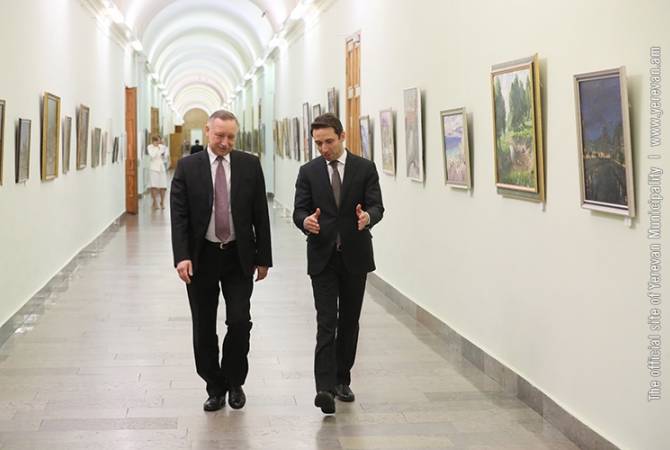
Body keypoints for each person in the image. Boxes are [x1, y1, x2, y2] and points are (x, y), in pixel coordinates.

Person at [170, 110, 272, 412]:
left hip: (238, 255)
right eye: (219, 136)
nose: (225, 142)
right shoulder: (188, 167)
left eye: (231, 136)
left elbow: (260, 214)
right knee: (203, 325)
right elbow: (179, 217)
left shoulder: (249, 165)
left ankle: (234, 380)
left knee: (240, 321)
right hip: (202, 256)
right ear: (207, 131)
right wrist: (182, 257)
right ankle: (214, 386)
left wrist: (263, 257)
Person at [293, 113, 384, 414]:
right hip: (322, 257)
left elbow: (376, 205)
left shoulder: (364, 168)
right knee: (325, 322)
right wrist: (305, 221)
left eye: (328, 141)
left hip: (355, 256)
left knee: (349, 321)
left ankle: (342, 378)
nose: (323, 148)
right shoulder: (308, 172)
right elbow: (299, 211)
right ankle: (324, 388)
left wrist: (367, 217)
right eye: (318, 143)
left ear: (342, 136)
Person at [147, 135, 168, 209]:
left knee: (163, 186)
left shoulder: (162, 147)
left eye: (158, 140)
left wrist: (163, 148)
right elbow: (152, 156)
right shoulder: (150, 147)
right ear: (153, 141)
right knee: (154, 186)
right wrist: (157, 148)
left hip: (161, 168)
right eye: (156, 141)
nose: (157, 142)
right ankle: (155, 202)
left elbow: (165, 156)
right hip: (153, 168)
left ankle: (162, 202)